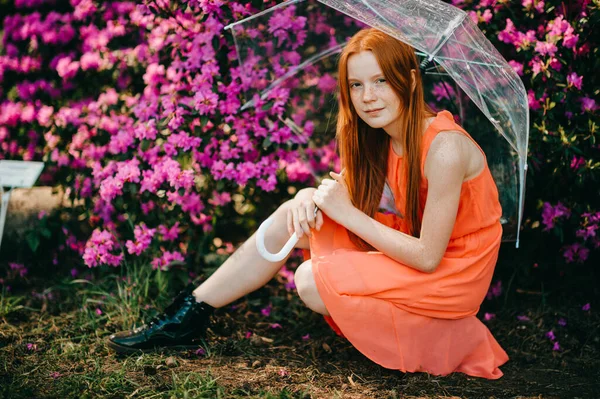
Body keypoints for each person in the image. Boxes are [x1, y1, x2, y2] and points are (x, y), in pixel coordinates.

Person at [107, 28, 509, 379]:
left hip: (452, 271)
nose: (367, 97)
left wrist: (347, 214)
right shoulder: (381, 137)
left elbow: (427, 257)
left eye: (381, 81)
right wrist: (306, 198)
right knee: (291, 215)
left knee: (311, 281)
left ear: (409, 79)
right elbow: (340, 194)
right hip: (412, 248)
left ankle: (448, 336)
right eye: (356, 85)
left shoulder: (444, 148)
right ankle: (190, 314)